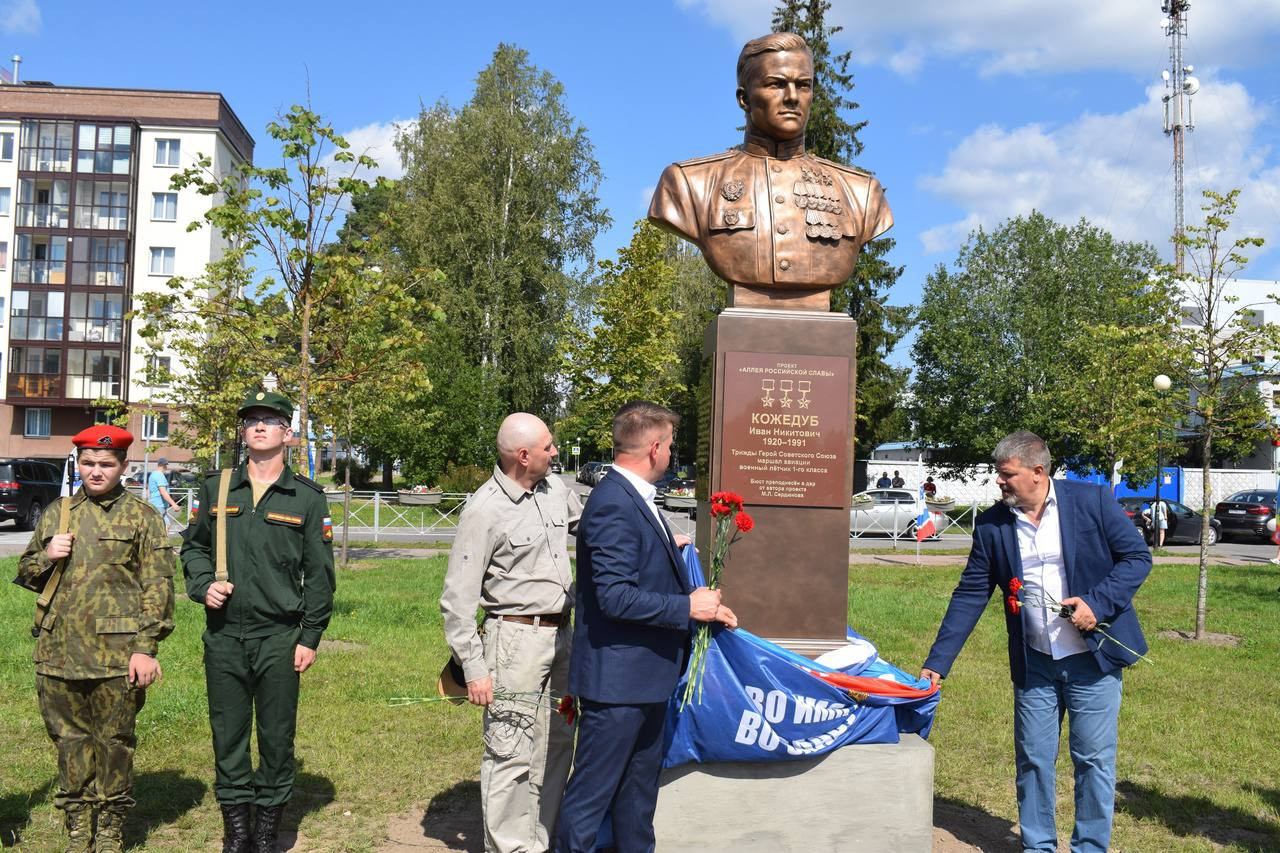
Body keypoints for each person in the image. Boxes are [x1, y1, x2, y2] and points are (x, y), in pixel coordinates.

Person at [920, 431, 1151, 853]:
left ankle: (1089, 847)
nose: (999, 482)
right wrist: (939, 661)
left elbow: (1138, 558)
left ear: (1038, 472)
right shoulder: (992, 524)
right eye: (998, 474)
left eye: (1007, 474)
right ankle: (1039, 845)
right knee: (1033, 760)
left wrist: (1096, 604)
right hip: (1035, 662)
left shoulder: (1092, 501)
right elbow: (971, 594)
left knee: (1094, 761)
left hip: (1091, 660)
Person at [555, 401, 738, 853]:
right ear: (655, 448)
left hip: (644, 681)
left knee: (636, 802)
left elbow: (631, 568)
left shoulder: (632, 499)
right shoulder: (614, 502)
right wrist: (687, 606)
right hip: (617, 686)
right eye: (672, 445)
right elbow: (613, 596)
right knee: (590, 801)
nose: (673, 454)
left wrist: (668, 555)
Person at [181, 389, 335, 853]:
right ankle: (237, 829)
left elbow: (321, 575)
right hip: (224, 634)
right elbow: (193, 547)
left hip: (279, 636)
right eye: (252, 420)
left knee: (275, 735)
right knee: (227, 734)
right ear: (244, 433)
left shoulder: (306, 497)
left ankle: (267, 830)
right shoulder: (217, 488)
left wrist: (310, 636)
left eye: (271, 420)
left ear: (288, 434)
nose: (260, 426)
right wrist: (201, 583)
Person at [15, 425, 174, 853]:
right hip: (58, 652)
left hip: (116, 655)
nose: (96, 471)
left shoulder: (142, 517)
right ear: (78, 464)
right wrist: (47, 555)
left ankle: (109, 830)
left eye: (106, 464)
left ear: (123, 466)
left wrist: (145, 648)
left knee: (114, 743)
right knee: (69, 742)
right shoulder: (58, 513)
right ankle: (77, 828)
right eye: (88, 463)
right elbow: (26, 572)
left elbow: (158, 587)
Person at [648, 32, 891, 307]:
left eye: (803, 85)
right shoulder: (688, 183)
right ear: (744, 99)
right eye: (776, 84)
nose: (792, 97)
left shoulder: (861, 192)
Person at [440, 413, 584, 853]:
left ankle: (542, 839)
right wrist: (474, 667)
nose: (555, 452)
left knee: (558, 742)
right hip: (513, 642)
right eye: (548, 446)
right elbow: (457, 599)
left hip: (563, 637)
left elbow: (594, 526)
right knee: (510, 750)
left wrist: (661, 536)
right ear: (523, 456)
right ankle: (510, 847)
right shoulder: (484, 509)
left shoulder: (556, 489)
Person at [147, 457, 182, 532]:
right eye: (166, 466)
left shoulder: (153, 474)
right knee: (160, 528)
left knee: (166, 526)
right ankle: (159, 543)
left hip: (156, 504)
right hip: (159, 505)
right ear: (164, 465)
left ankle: (163, 543)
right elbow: (163, 492)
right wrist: (174, 504)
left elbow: (149, 491)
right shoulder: (159, 476)